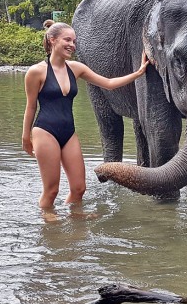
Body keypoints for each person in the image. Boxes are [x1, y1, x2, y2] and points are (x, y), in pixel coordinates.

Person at [22, 19, 150, 210]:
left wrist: (137, 74)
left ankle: (73, 221)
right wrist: (26, 137)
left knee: (79, 188)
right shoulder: (36, 72)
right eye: (67, 40)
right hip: (45, 131)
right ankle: (49, 224)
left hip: (68, 132)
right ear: (52, 40)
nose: (72, 45)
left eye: (74, 41)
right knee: (51, 190)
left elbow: (108, 83)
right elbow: (31, 106)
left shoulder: (76, 68)